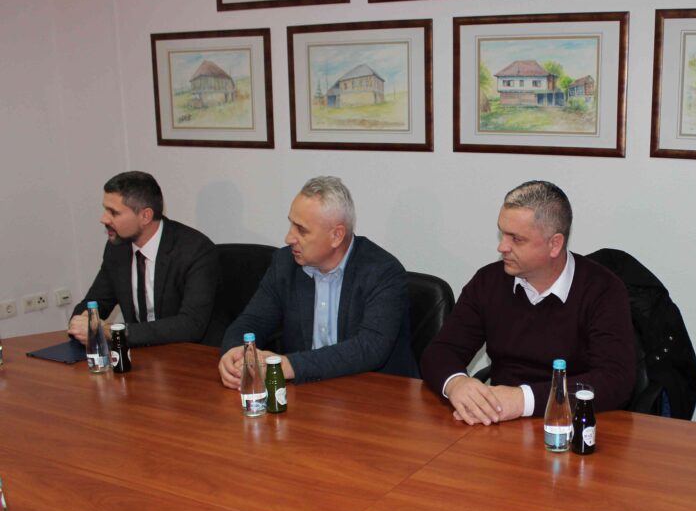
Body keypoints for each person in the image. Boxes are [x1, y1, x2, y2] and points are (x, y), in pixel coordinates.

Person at [421, 180, 635, 425]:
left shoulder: (602, 289)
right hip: (499, 422)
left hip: (575, 424)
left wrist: (522, 400)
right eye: (502, 233)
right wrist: (456, 384)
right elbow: (440, 351)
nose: (502, 247)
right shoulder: (489, 281)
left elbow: (615, 380)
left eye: (516, 239)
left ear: (554, 244)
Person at [218, 176, 416, 387]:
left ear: (336, 236)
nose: (288, 238)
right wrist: (235, 352)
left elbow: (369, 348)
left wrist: (289, 366)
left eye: (301, 230)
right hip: (311, 391)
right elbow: (253, 321)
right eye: (291, 224)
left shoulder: (382, 272)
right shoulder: (284, 264)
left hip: (375, 392)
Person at [69, 171, 219, 347]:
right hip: (140, 353)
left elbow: (190, 325)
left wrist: (112, 331)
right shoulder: (117, 248)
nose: (103, 219)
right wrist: (84, 322)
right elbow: (96, 302)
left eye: (113, 212)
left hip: (188, 353)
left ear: (145, 216)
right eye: (105, 209)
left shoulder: (195, 250)